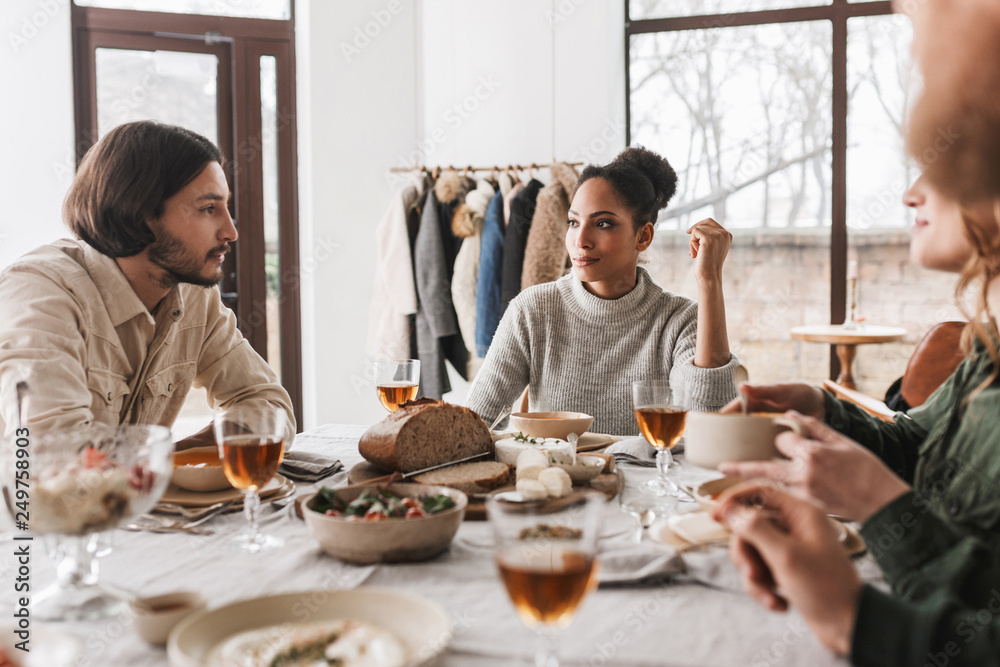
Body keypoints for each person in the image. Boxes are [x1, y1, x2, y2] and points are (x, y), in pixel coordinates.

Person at [709, 0, 1000, 663]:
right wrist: (823, 410)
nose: (910, 194)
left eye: (956, 152)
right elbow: (921, 445)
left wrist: (850, 617)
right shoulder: (989, 347)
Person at [0, 121, 294, 448]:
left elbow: (270, 408)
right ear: (140, 214)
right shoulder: (40, 295)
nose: (230, 232)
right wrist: (165, 462)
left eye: (225, 207)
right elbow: (48, 456)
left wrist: (179, 456)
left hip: (136, 499)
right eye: (208, 209)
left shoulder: (195, 295)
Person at [466, 146, 739, 435]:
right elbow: (473, 425)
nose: (580, 240)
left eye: (603, 223)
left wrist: (709, 280)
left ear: (643, 236)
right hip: (558, 480)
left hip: (650, 480)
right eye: (573, 222)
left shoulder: (680, 320)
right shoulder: (533, 309)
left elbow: (710, 428)